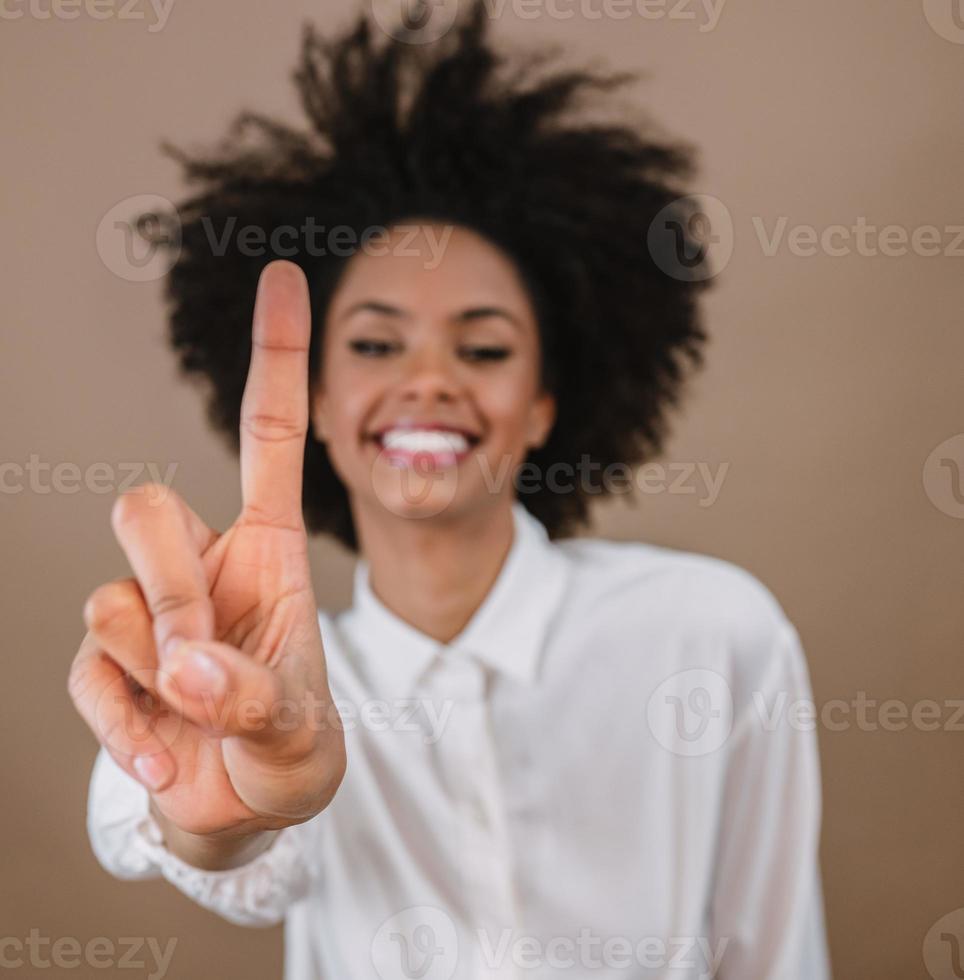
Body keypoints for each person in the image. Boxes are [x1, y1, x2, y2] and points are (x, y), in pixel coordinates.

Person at [68, 2, 832, 977]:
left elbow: (774, 954)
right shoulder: (270, 676)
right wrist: (221, 800)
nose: (429, 378)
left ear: (546, 402)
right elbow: (217, 837)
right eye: (376, 343)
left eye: (482, 346)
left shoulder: (711, 631)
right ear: (319, 404)